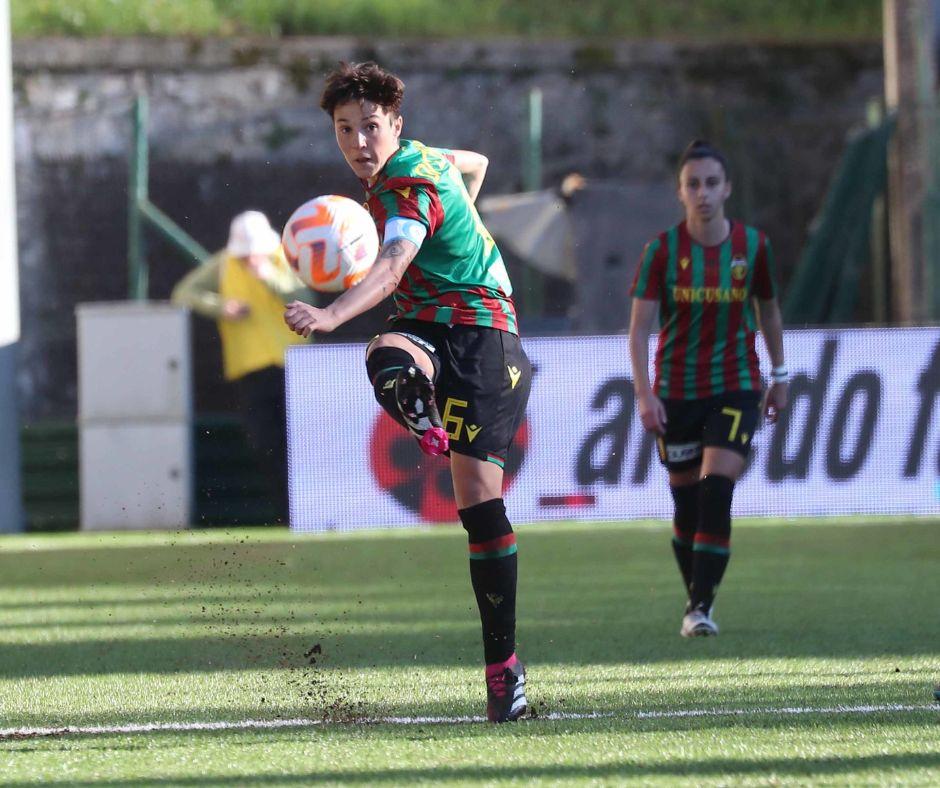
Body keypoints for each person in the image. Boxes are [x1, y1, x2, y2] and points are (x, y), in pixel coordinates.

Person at [283, 62, 531, 722]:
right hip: (428, 324)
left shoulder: (407, 184)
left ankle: (503, 667)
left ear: (396, 124)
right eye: (345, 130)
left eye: (370, 128)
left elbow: (392, 267)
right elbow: (472, 164)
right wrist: (465, 215)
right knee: (387, 359)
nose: (359, 143)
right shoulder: (424, 160)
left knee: (480, 508)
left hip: (483, 331)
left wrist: (330, 314)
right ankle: (423, 414)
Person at [628, 140, 788, 638]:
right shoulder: (662, 251)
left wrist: (780, 377)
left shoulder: (754, 247)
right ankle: (696, 601)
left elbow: (769, 311)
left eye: (712, 183)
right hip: (675, 391)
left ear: (727, 189)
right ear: (681, 192)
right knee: (687, 505)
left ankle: (699, 607)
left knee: (717, 490)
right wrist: (644, 395)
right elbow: (637, 331)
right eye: (693, 184)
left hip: (736, 385)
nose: (703, 193)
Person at [172, 210, 309, 524]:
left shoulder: (286, 258)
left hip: (295, 367)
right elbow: (184, 292)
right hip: (251, 370)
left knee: (301, 444)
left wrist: (270, 278)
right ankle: (287, 515)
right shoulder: (224, 264)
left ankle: (312, 510)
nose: (249, 259)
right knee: (267, 444)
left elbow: (305, 295)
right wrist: (222, 307)